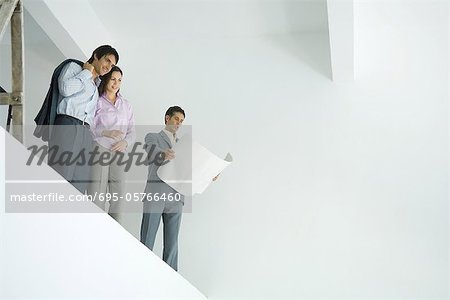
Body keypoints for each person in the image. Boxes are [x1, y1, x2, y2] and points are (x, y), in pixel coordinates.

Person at [47, 45, 119, 193]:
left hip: (86, 132)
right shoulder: (74, 67)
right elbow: (65, 89)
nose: (108, 67)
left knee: (79, 183)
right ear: (96, 55)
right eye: (107, 61)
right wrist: (86, 72)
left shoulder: (97, 85)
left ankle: (69, 216)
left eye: (112, 65)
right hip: (67, 125)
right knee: (60, 175)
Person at [87, 66, 135, 220]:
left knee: (118, 195)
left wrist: (125, 143)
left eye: (119, 80)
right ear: (107, 79)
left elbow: (132, 131)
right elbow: (88, 126)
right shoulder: (97, 101)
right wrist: (106, 132)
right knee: (96, 192)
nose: (116, 83)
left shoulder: (126, 105)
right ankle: (95, 227)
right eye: (113, 79)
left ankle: (114, 234)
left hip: (119, 151)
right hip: (99, 148)